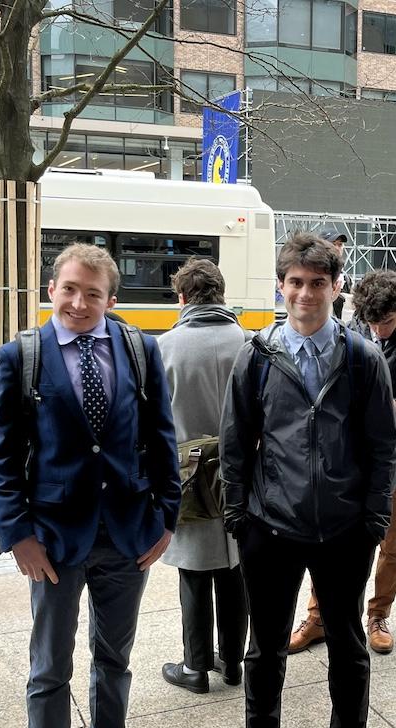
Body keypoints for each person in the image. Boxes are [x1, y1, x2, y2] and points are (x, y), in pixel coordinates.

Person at [0, 243, 181, 728]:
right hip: (53, 540)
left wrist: (166, 517)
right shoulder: (23, 356)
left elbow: (163, 438)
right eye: (69, 289)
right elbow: (3, 457)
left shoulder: (140, 349)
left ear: (110, 300)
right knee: (50, 668)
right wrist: (17, 533)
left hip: (127, 537)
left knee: (114, 661)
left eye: (93, 293)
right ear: (52, 289)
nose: (79, 301)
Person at [219, 232, 396, 728]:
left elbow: (382, 445)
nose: (305, 293)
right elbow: (235, 442)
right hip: (271, 529)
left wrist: (374, 518)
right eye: (295, 282)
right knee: (265, 647)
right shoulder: (258, 354)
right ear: (281, 286)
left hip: (344, 530)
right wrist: (239, 514)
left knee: (347, 648)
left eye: (317, 283)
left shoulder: (361, 356)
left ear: (336, 287)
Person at [288, 269, 396, 655]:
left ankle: (378, 615)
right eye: (372, 322)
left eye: (387, 322)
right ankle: (319, 616)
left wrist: (394, 408)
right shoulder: (352, 332)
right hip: (348, 455)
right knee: (331, 537)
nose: (379, 331)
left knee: (390, 541)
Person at [156, 258, 249, 694]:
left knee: (193, 572)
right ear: (222, 294)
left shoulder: (165, 347)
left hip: (186, 475)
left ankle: (195, 666)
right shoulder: (248, 342)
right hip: (240, 474)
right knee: (235, 568)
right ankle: (233, 663)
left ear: (182, 298)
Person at [324, 229, 351, 320]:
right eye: (333, 244)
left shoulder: (345, 277)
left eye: (340, 244)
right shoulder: (314, 273)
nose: (337, 248)